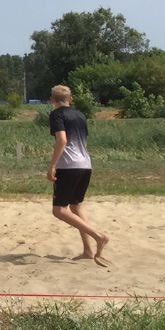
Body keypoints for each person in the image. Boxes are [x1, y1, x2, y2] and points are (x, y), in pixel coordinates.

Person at [46, 85, 109, 267]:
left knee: (59, 210)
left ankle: (99, 236)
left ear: (52, 100)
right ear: (70, 99)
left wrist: (52, 165)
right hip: (85, 165)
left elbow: (62, 140)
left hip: (69, 167)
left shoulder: (57, 115)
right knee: (76, 206)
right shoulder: (80, 115)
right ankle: (88, 251)